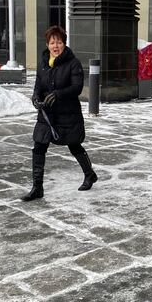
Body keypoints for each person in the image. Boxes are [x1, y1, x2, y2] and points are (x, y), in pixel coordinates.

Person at [22, 26, 97, 201]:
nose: (56, 46)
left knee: (73, 144)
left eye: (59, 42)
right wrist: (35, 97)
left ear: (64, 43)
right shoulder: (43, 63)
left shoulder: (73, 63)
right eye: (52, 42)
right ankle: (37, 187)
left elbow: (77, 87)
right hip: (47, 114)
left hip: (67, 113)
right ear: (47, 44)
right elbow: (39, 85)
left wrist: (58, 94)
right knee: (39, 145)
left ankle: (89, 174)